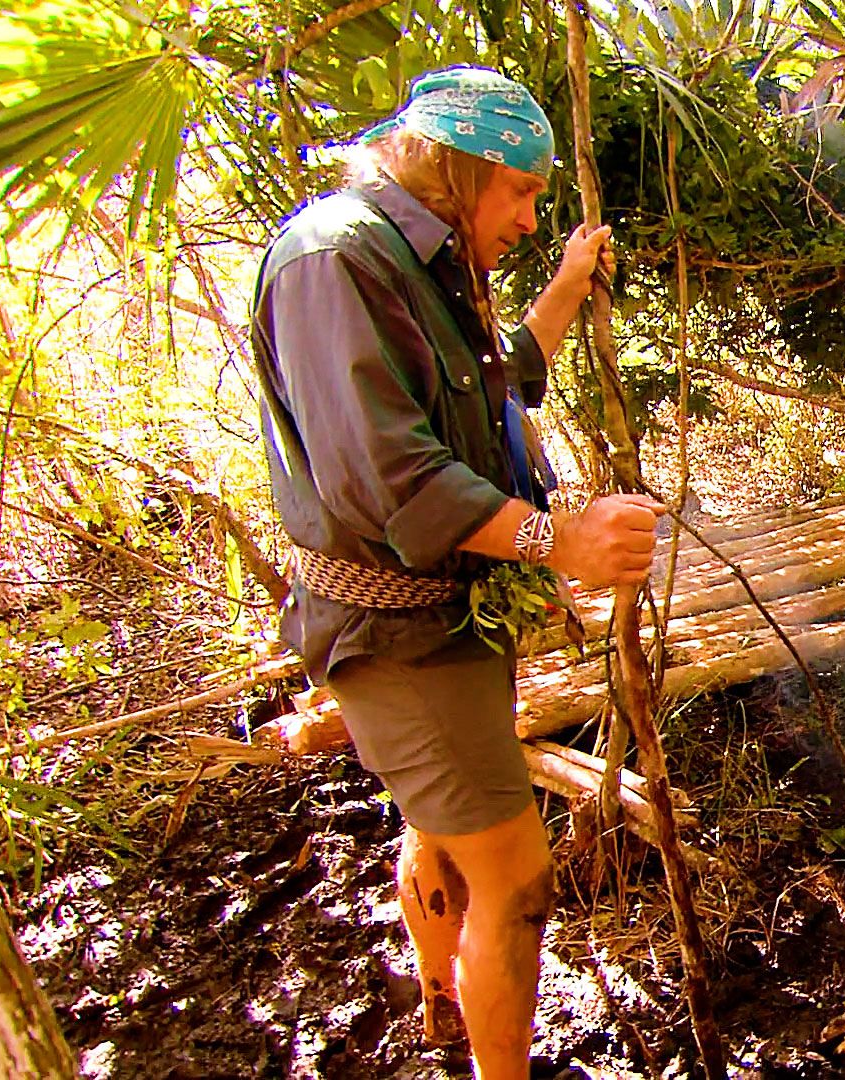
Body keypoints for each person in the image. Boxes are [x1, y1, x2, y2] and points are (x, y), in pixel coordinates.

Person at [250, 66, 662, 1080]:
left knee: (444, 834)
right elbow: (388, 478)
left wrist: (564, 291)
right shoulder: (333, 260)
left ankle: (445, 1008)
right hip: (397, 632)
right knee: (517, 880)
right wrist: (554, 539)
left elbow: (489, 384)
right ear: (464, 168)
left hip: (444, 620)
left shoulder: (417, 262)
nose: (528, 217)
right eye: (521, 191)